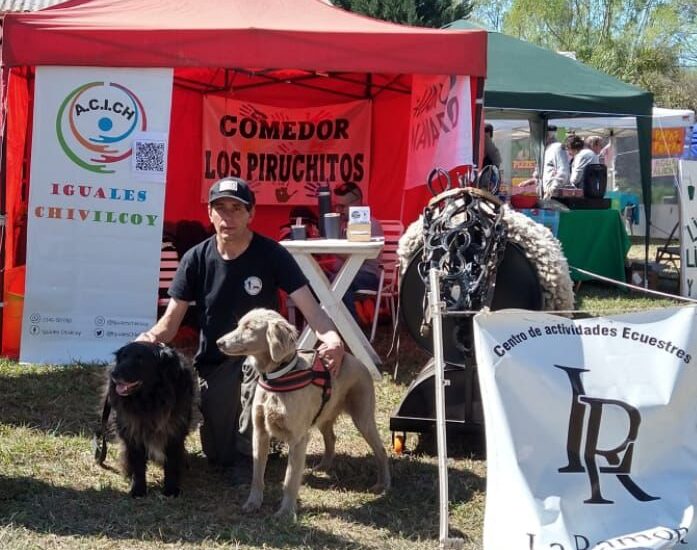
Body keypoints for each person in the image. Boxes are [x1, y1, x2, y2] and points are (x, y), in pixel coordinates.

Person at [137, 176, 344, 483]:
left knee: (251, 374)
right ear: (209, 213)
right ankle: (249, 440)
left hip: (265, 362)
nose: (228, 216)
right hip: (216, 362)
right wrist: (148, 339)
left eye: (237, 208)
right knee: (219, 455)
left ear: (251, 214)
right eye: (220, 208)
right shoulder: (195, 259)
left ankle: (252, 454)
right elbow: (169, 324)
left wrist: (333, 339)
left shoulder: (272, 254)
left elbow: (312, 310)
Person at [332, 181, 384, 324]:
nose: (338, 210)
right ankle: (328, 324)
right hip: (341, 274)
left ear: (357, 204)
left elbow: (358, 256)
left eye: (342, 206)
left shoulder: (369, 224)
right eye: (336, 206)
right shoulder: (341, 225)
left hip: (366, 276)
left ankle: (350, 327)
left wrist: (333, 250)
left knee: (338, 282)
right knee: (316, 280)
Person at [542, 125, 570, 199]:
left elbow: (563, 171)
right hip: (548, 192)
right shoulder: (546, 149)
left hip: (555, 195)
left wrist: (553, 188)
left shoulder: (557, 147)